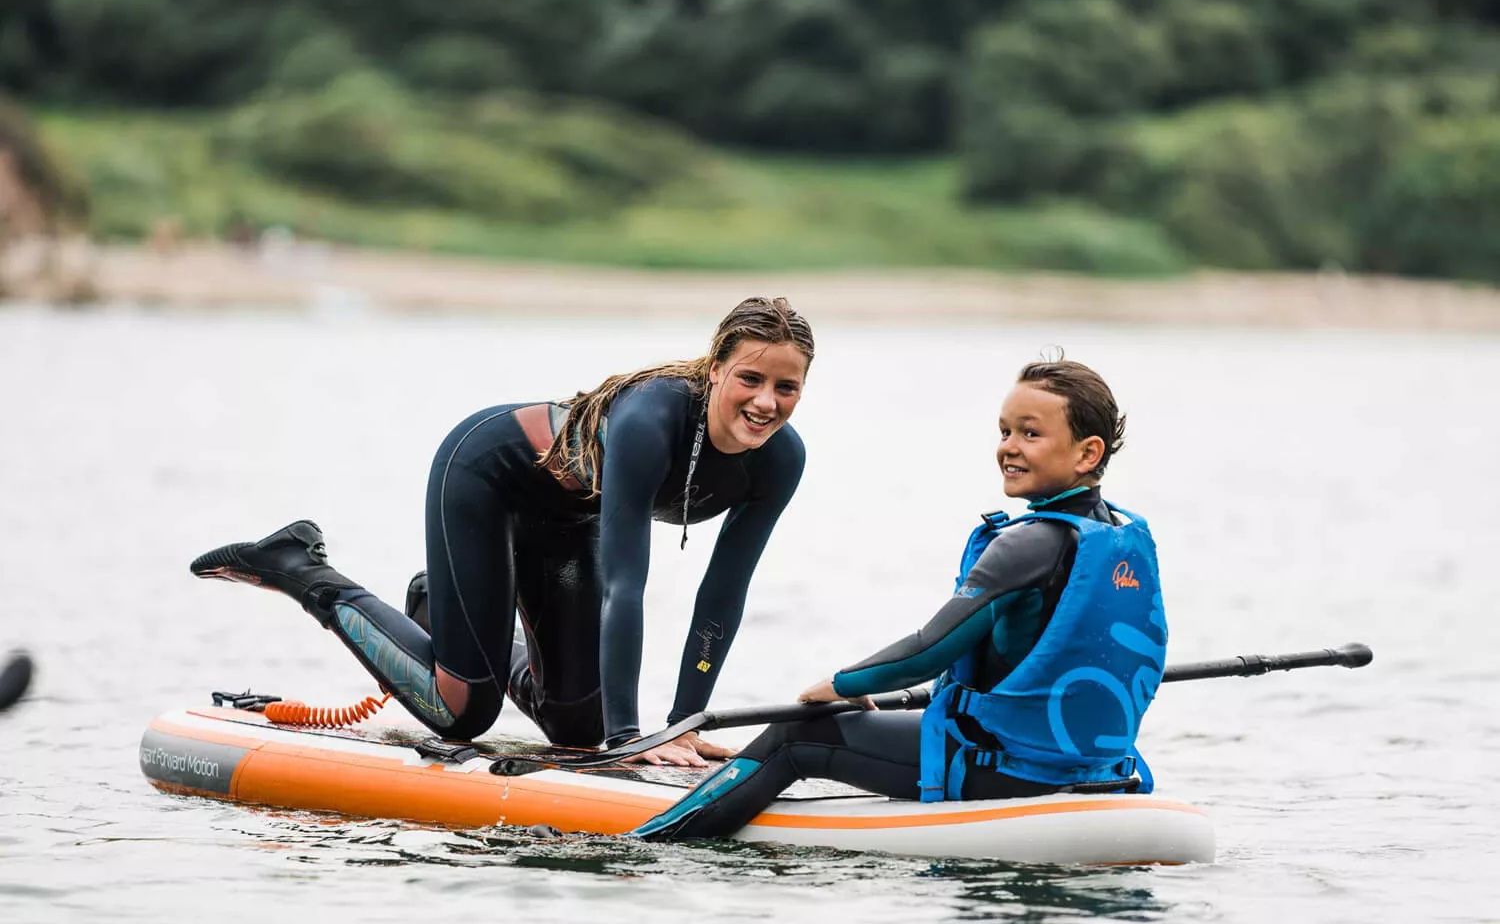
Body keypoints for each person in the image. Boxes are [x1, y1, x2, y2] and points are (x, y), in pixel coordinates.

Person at [191, 297, 813, 767]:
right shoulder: (651, 420)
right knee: (461, 713)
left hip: (567, 521)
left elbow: (722, 594)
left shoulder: (780, 461)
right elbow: (625, 587)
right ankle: (300, 568)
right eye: (750, 379)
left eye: (786, 387)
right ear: (715, 370)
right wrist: (632, 740)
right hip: (487, 475)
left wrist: (686, 723)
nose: (766, 402)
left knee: (576, 728)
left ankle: (440, 609)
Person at [634, 356, 1167, 838]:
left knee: (795, 734)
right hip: (1094, 765)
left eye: (1031, 434)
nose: (1008, 447)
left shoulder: (1029, 541)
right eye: (1005, 430)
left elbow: (925, 651)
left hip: (1001, 767)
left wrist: (840, 684)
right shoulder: (1120, 538)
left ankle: (654, 838)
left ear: (1087, 453)